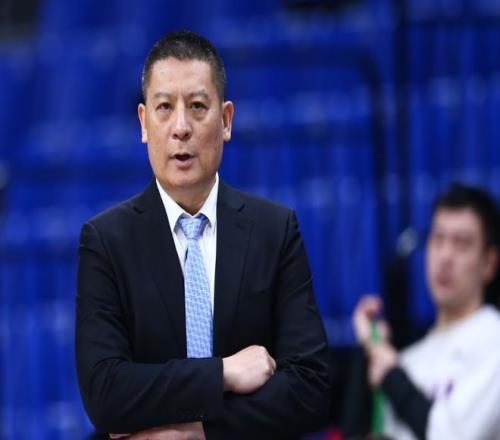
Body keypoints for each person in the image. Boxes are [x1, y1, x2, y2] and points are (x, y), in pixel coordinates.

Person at [75, 30, 330, 440]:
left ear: (226, 120)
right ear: (143, 122)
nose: (181, 127)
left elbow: (310, 387)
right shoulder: (106, 241)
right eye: (164, 107)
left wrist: (199, 431)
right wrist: (222, 373)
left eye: (197, 106)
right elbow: (105, 393)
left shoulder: (274, 230)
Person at [353, 183, 500, 440]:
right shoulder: (409, 359)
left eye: (461, 244)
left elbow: (452, 436)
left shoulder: (493, 342)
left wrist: (391, 374)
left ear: (488, 263)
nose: (445, 256)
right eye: (438, 239)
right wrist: (368, 350)